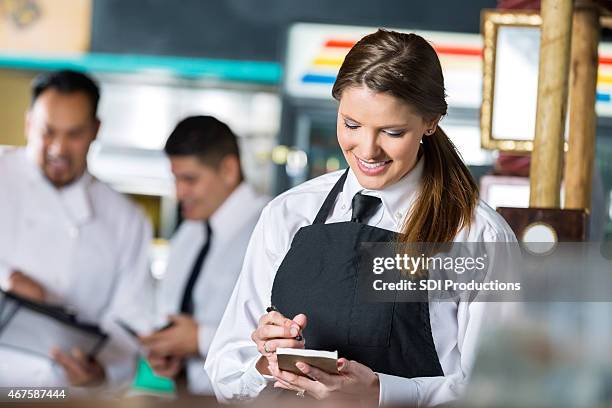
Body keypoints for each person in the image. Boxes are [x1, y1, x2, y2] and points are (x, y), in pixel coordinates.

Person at [204, 30, 517, 407]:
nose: (367, 150)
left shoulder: (476, 235)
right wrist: (268, 363)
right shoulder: (289, 214)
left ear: (430, 122)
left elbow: (498, 391)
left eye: (392, 131)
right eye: (351, 125)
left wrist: (380, 394)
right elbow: (225, 373)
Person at [0, 70, 153, 390]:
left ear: (96, 130)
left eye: (74, 134)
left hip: (61, 394)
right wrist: (7, 280)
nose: (58, 148)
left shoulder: (126, 220)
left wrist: (101, 371)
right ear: (29, 123)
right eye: (47, 132)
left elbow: (130, 321)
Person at [139, 116, 269, 395]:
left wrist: (200, 339)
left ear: (228, 169)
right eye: (175, 179)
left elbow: (292, 337)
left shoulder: (272, 229)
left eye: (189, 179)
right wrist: (169, 351)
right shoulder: (188, 235)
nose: (178, 192)